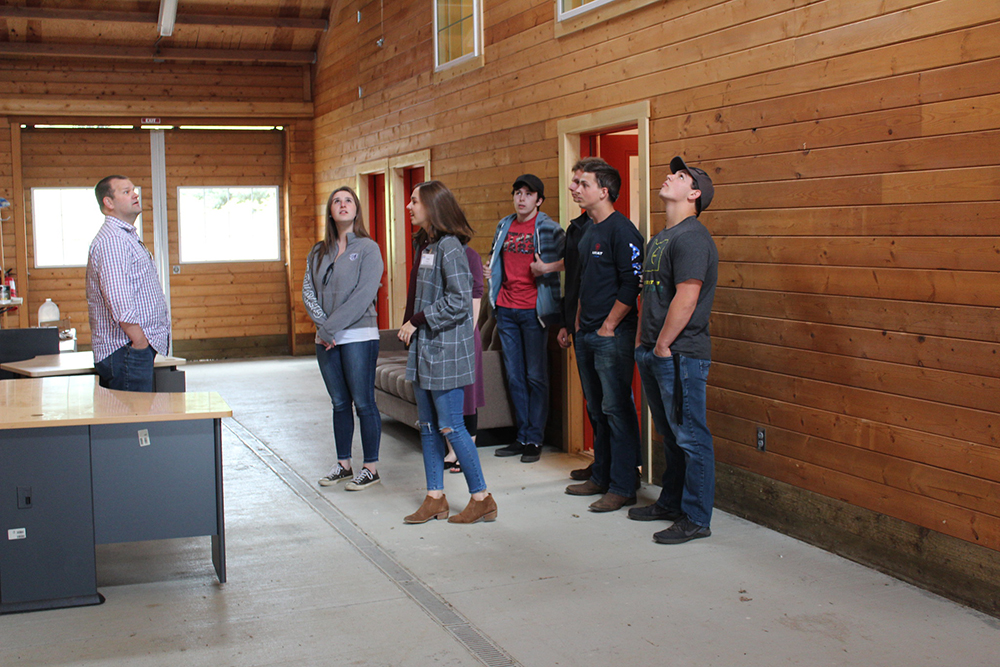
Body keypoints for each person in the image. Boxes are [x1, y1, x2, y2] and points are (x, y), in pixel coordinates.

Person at [398, 180, 496, 524]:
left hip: (446, 351)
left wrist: (418, 319)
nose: (409, 206)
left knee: (451, 426)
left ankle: (481, 496)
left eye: (414, 201)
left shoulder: (451, 247)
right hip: (425, 348)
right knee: (426, 426)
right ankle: (435, 497)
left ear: (433, 207)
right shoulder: (428, 245)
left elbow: (459, 300)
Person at [632, 156, 718, 544]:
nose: (670, 177)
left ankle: (697, 518)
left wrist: (664, 345)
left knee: (691, 436)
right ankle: (671, 502)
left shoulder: (693, 237)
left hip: (680, 354)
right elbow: (648, 298)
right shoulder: (660, 238)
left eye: (681, 176)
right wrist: (641, 343)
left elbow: (687, 298)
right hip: (653, 351)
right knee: (670, 434)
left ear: (694, 194)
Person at [564, 158, 644, 512]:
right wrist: (580, 321)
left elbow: (633, 284)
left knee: (616, 409)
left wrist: (609, 325)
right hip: (588, 333)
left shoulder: (622, 230)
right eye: (575, 183)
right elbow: (582, 282)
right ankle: (603, 473)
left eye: (583, 184)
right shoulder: (589, 230)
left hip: (613, 336)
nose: (575, 189)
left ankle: (625, 485)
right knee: (596, 408)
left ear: (604, 191)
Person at [304, 186, 385, 492]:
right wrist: (324, 328)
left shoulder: (368, 248)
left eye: (348, 200)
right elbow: (308, 291)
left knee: (363, 402)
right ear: (330, 210)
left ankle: (370, 467)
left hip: (358, 337)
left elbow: (363, 296)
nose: (342, 204)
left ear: (356, 209)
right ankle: (343, 464)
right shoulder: (318, 251)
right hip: (326, 340)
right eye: (336, 201)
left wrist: (329, 329)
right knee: (339, 403)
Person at [488, 174, 565, 463]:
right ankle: (521, 436)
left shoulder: (549, 228)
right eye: (517, 192)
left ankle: (535, 438)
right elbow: (496, 259)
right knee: (514, 375)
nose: (521, 198)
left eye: (528, 194)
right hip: (505, 309)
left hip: (535, 312)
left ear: (539, 200)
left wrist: (546, 267)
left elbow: (573, 259)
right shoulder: (504, 225)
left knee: (535, 375)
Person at [403, 217, 486, 474]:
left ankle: (469, 466)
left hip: (459, 337)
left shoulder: (464, 254)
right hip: (434, 336)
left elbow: (469, 300)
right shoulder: (428, 255)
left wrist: (459, 339)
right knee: (436, 418)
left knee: (466, 400)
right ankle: (451, 455)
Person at [86, 175, 170, 392]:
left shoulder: (125, 236)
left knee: (135, 419)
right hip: (126, 350)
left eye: (134, 190)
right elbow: (119, 299)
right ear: (109, 202)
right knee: (132, 420)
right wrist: (140, 343)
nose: (135, 194)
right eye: (126, 191)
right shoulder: (113, 240)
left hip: (131, 349)